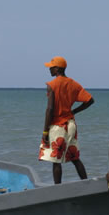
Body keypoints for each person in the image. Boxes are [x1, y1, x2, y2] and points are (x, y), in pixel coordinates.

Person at [39, 56, 94, 184]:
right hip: (71, 124)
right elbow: (90, 100)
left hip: (58, 126)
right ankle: (86, 184)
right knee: (74, 157)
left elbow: (50, 109)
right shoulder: (73, 83)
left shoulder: (52, 85)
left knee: (56, 161)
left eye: (51, 67)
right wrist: (74, 111)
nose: (49, 70)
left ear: (57, 68)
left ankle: (57, 189)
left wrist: (45, 131)